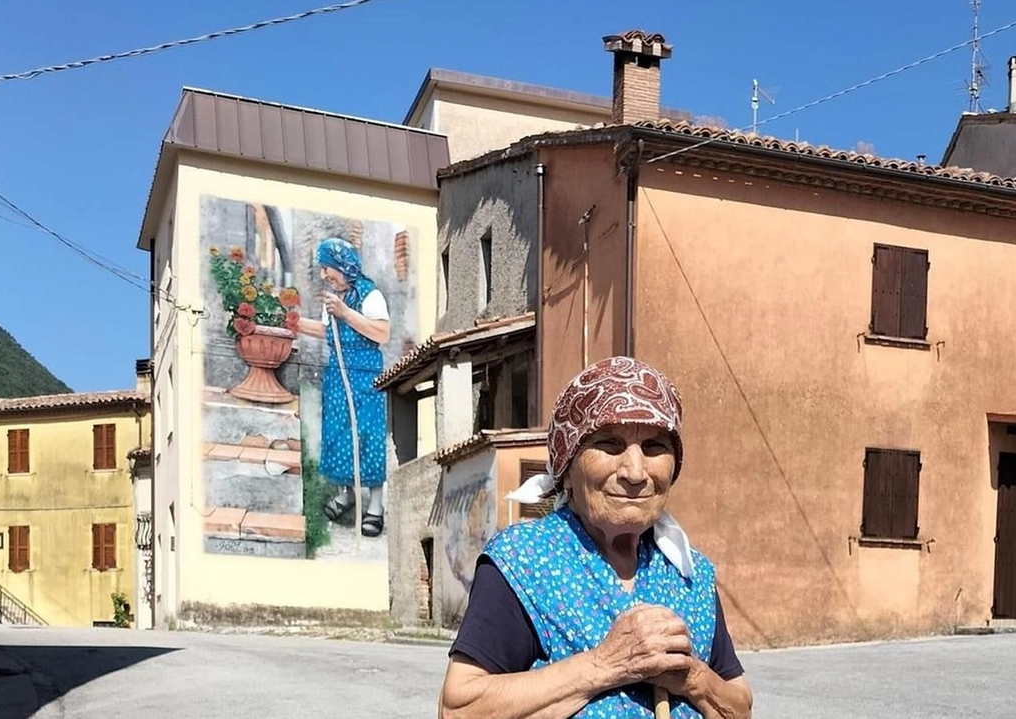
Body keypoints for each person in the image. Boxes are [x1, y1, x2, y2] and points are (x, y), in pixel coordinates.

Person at [439, 356, 753, 718]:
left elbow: (739, 707)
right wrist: (609, 663)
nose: (635, 472)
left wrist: (692, 677)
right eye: (609, 444)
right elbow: (459, 709)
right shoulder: (524, 561)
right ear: (567, 469)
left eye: (654, 447)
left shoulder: (690, 573)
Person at [296, 237, 390, 537]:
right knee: (339, 436)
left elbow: (382, 333)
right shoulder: (335, 299)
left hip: (364, 376)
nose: (324, 275)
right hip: (337, 375)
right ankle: (347, 494)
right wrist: (296, 324)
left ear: (343, 266)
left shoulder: (370, 295)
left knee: (367, 437)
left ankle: (375, 505)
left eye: (328, 269)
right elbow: (327, 331)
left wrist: (345, 312)